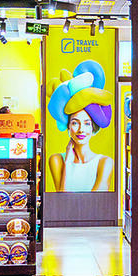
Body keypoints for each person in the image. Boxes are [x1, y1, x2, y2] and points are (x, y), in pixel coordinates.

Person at [46, 60, 114, 192]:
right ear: (68, 126)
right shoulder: (56, 160)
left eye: (87, 123)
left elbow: (96, 204)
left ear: (93, 127)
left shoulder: (105, 162)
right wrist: (68, 164)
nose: (81, 129)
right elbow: (61, 200)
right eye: (75, 122)